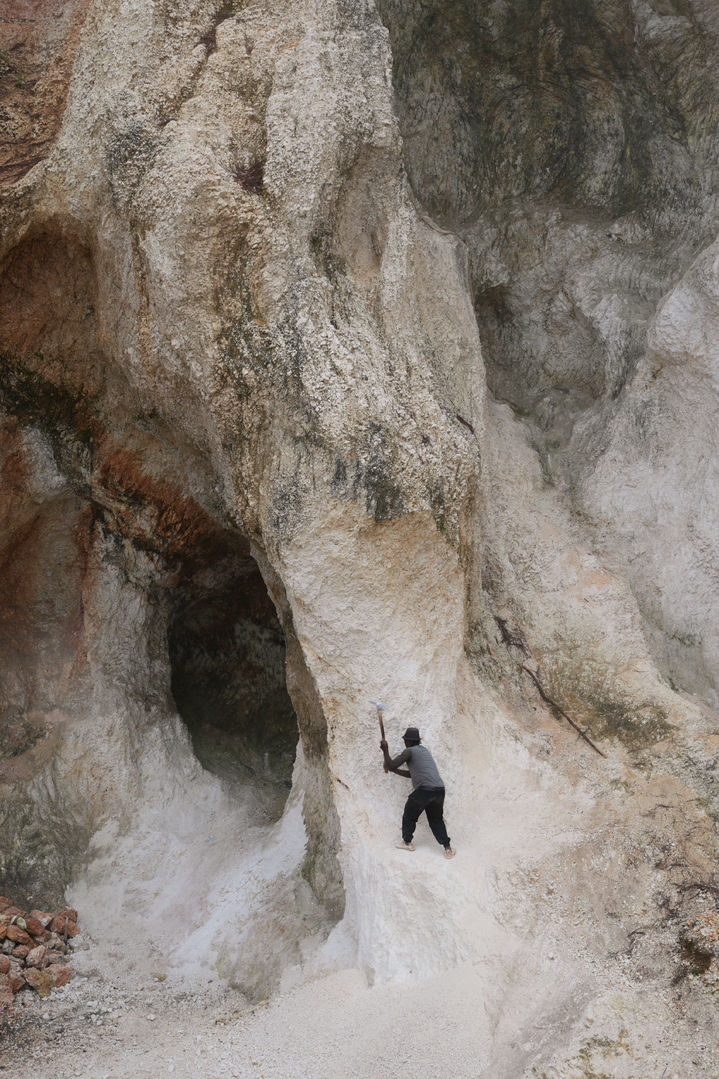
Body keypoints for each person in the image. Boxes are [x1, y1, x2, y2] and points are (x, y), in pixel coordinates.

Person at [380, 726, 456, 858]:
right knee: (436, 820)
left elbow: (392, 764)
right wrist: (393, 770)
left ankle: (407, 842)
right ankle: (447, 848)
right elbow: (413, 774)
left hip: (424, 791)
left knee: (409, 814)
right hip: (439, 790)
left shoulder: (409, 751)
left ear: (409, 741)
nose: (405, 742)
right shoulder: (424, 751)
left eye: (405, 740)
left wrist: (385, 750)